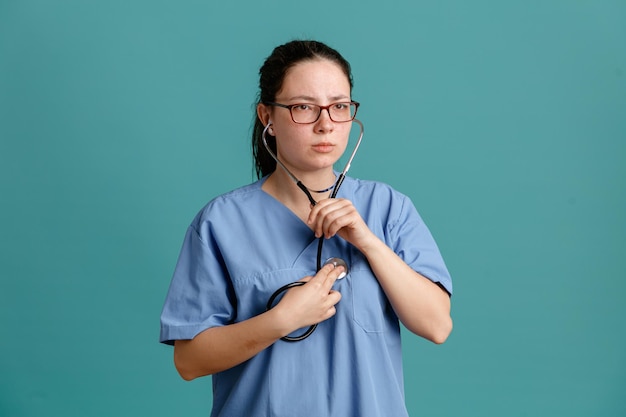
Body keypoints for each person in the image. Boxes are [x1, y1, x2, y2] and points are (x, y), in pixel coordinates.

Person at [160, 39, 453, 417]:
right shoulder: (221, 223)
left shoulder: (389, 209)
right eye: (303, 108)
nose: (325, 124)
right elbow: (189, 361)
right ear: (268, 117)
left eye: (339, 107)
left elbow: (436, 325)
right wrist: (282, 319)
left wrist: (368, 242)